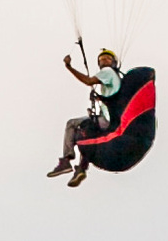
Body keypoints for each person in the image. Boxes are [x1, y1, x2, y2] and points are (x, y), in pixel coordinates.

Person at [49, 47, 158, 184]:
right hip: (114, 121)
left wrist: (69, 67)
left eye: (107, 58)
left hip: (107, 120)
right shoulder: (115, 78)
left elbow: (88, 81)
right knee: (89, 135)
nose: (104, 60)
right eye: (101, 59)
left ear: (114, 63)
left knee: (72, 124)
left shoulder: (107, 72)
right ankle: (81, 169)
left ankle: (66, 161)